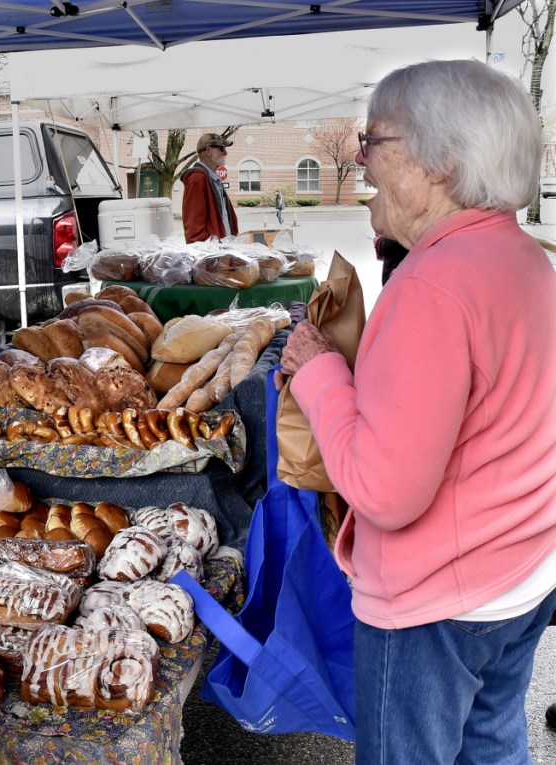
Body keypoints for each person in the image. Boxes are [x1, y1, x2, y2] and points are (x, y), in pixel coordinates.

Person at [278, 59, 556, 764]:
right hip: (521, 569)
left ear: (442, 163)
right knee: (493, 743)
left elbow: (383, 490)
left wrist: (317, 372)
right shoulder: (523, 258)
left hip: (441, 599)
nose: (362, 156)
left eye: (376, 140)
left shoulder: (432, 285)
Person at [180, 133, 238, 242]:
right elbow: (194, 232)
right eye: (222, 148)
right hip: (213, 255)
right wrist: (212, 256)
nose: (225, 153)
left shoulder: (212, 179)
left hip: (222, 251)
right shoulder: (197, 179)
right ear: (209, 151)